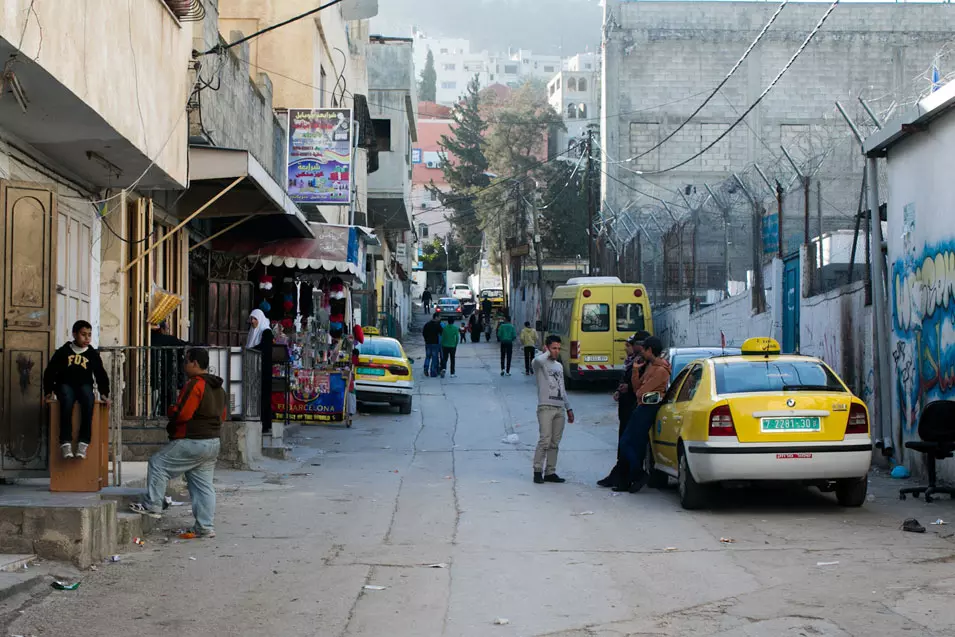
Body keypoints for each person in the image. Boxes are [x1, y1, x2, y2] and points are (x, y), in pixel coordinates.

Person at [130, 347, 226, 538]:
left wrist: (172, 410)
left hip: (193, 439)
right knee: (203, 486)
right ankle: (205, 527)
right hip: (213, 441)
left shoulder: (195, 385)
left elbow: (183, 413)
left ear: (195, 364)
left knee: (157, 463)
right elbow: (223, 416)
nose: (184, 365)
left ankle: (153, 504)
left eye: (186, 361)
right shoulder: (219, 389)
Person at [44, 320, 111, 460]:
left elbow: (100, 373)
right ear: (74, 334)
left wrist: (104, 393)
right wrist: (48, 390)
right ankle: (65, 442)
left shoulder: (92, 354)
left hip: (84, 385)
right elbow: (50, 371)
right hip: (65, 385)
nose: (87, 338)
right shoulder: (63, 352)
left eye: (89, 335)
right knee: (67, 401)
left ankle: (83, 442)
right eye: (83, 334)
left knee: (88, 399)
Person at [615, 336, 671, 493]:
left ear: (650, 350)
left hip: (647, 408)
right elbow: (637, 387)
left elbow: (641, 391)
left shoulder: (661, 370)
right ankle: (636, 475)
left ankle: (639, 474)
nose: (642, 353)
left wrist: (640, 390)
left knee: (626, 442)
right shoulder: (651, 367)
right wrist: (635, 370)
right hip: (641, 406)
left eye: (644, 350)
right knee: (632, 444)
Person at [598, 331, 650, 488]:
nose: (630, 347)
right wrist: (620, 389)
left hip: (635, 408)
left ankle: (631, 476)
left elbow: (642, 386)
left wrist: (630, 388)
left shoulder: (643, 363)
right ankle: (620, 475)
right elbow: (626, 379)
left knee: (629, 443)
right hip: (626, 407)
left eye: (632, 344)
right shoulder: (633, 362)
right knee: (624, 442)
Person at [532, 335, 575, 484]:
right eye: (553, 348)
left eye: (558, 348)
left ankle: (550, 471)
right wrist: (546, 353)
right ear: (547, 348)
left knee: (554, 443)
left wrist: (569, 408)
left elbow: (562, 388)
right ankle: (538, 470)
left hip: (559, 408)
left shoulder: (559, 366)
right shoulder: (540, 362)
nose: (556, 351)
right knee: (545, 440)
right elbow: (537, 361)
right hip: (545, 407)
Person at [247, 309, 274, 434]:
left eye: (255, 319)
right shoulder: (253, 332)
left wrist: (250, 350)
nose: (252, 321)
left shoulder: (267, 332)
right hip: (254, 369)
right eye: (251, 319)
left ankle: (265, 424)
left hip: (263, 370)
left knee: (263, 396)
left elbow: (264, 349)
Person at [422, 312, 442, 377]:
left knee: (427, 357)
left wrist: (426, 339)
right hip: (435, 344)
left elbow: (424, 333)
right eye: (439, 317)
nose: (440, 318)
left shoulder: (427, 324)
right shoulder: (437, 325)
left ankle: (426, 369)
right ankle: (433, 372)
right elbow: (442, 332)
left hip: (428, 343)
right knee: (434, 358)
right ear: (436, 317)